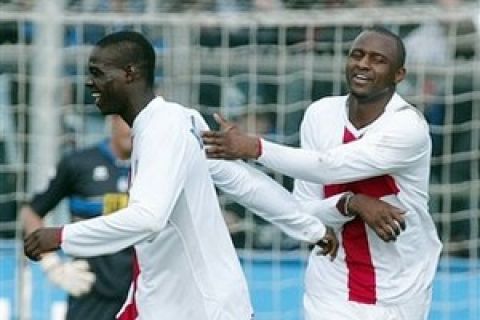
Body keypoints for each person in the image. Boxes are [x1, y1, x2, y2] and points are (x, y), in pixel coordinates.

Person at [23, 31, 340, 320]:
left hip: (200, 308)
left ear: (130, 73)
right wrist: (310, 227)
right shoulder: (179, 120)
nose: (90, 83)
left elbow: (148, 218)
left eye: (98, 73)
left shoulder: (166, 128)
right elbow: (241, 181)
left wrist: (62, 237)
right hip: (161, 302)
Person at [202, 26, 443, 320]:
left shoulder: (408, 127)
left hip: (401, 288)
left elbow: (328, 166)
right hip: (331, 282)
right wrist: (350, 204)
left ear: (399, 75)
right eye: (357, 55)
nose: (363, 64)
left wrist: (253, 147)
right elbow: (305, 210)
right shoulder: (320, 115)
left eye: (377, 59)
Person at [21, 115, 133, 320]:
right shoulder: (78, 164)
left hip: (142, 294)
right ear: (113, 120)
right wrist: (53, 266)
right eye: (128, 120)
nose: (133, 129)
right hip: (89, 294)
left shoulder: (156, 169)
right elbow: (31, 213)